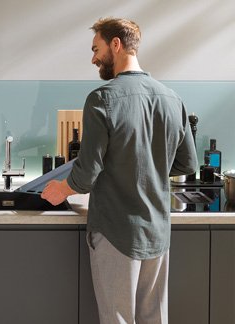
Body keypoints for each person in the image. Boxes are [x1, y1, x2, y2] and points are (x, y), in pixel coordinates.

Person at [41, 17, 197, 324]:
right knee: (155, 318)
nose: (93, 58)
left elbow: (86, 174)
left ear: (116, 44)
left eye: (96, 48)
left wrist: (61, 188)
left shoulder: (102, 99)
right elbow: (187, 164)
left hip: (116, 232)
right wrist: (148, 165)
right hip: (157, 229)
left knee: (118, 319)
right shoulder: (171, 98)